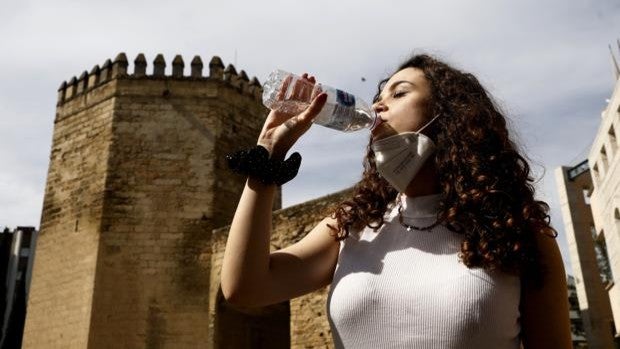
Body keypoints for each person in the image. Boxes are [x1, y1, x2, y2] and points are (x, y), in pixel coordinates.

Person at [220, 54, 572, 348]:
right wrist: (267, 158)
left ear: (449, 116)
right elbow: (245, 288)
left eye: (399, 93)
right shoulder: (353, 226)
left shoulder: (517, 233)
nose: (377, 105)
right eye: (379, 95)